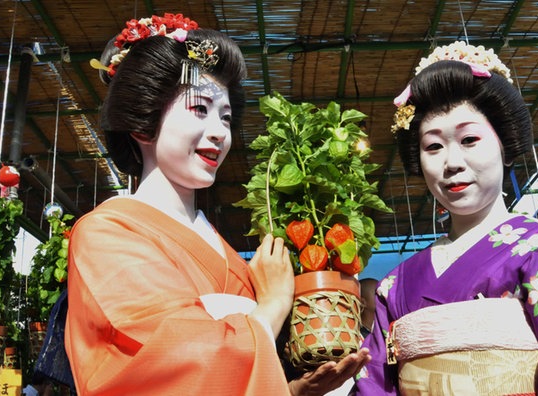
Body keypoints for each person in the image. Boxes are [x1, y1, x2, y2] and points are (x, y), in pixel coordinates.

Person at [65, 13, 367, 395]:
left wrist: (292, 390)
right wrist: (272, 305)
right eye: (199, 110)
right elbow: (175, 359)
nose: (219, 132)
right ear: (142, 123)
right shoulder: (106, 232)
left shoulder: (220, 247)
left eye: (225, 117)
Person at [354, 41, 538, 395]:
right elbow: (373, 385)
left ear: (504, 143)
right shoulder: (396, 285)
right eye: (433, 146)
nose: (452, 162)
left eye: (469, 139)